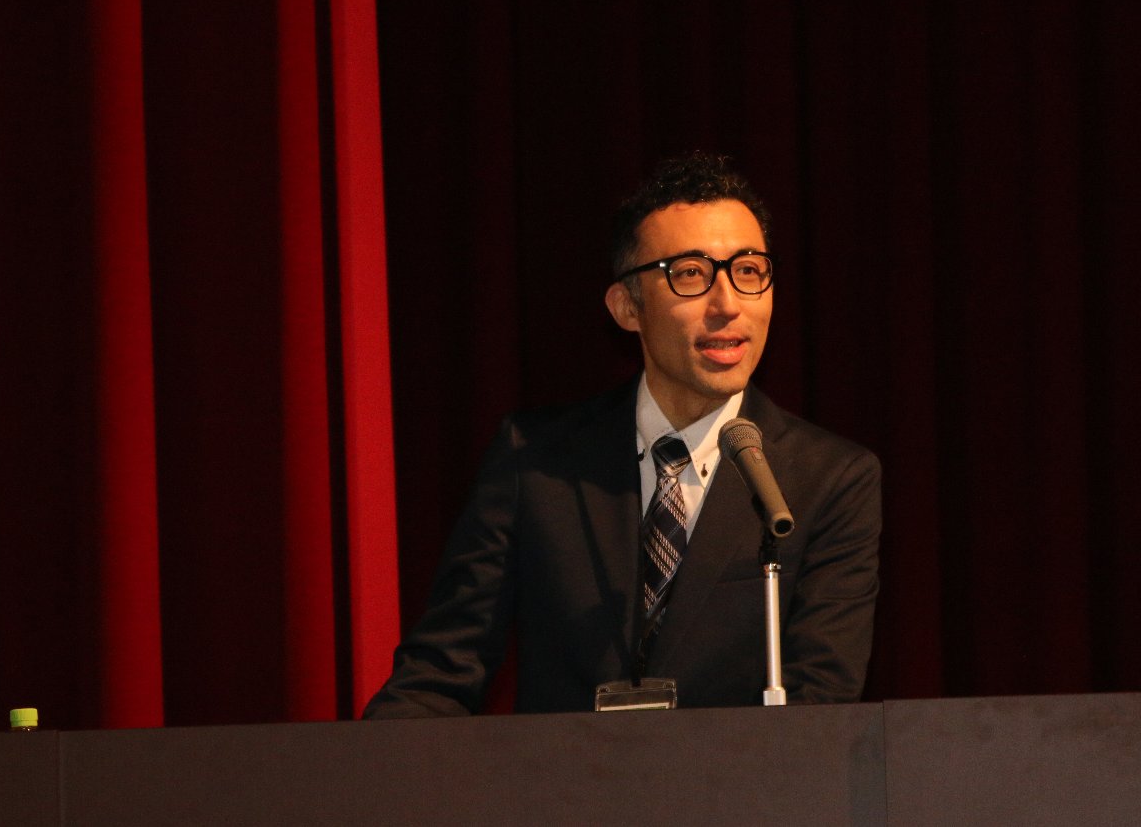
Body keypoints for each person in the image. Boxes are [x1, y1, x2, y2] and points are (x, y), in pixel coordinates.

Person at [364, 152, 880, 717]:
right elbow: (439, 673)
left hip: (743, 777)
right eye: (691, 274)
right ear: (627, 307)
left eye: (749, 271)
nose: (728, 305)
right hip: (565, 775)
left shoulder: (828, 480)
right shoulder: (536, 462)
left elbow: (821, 704)